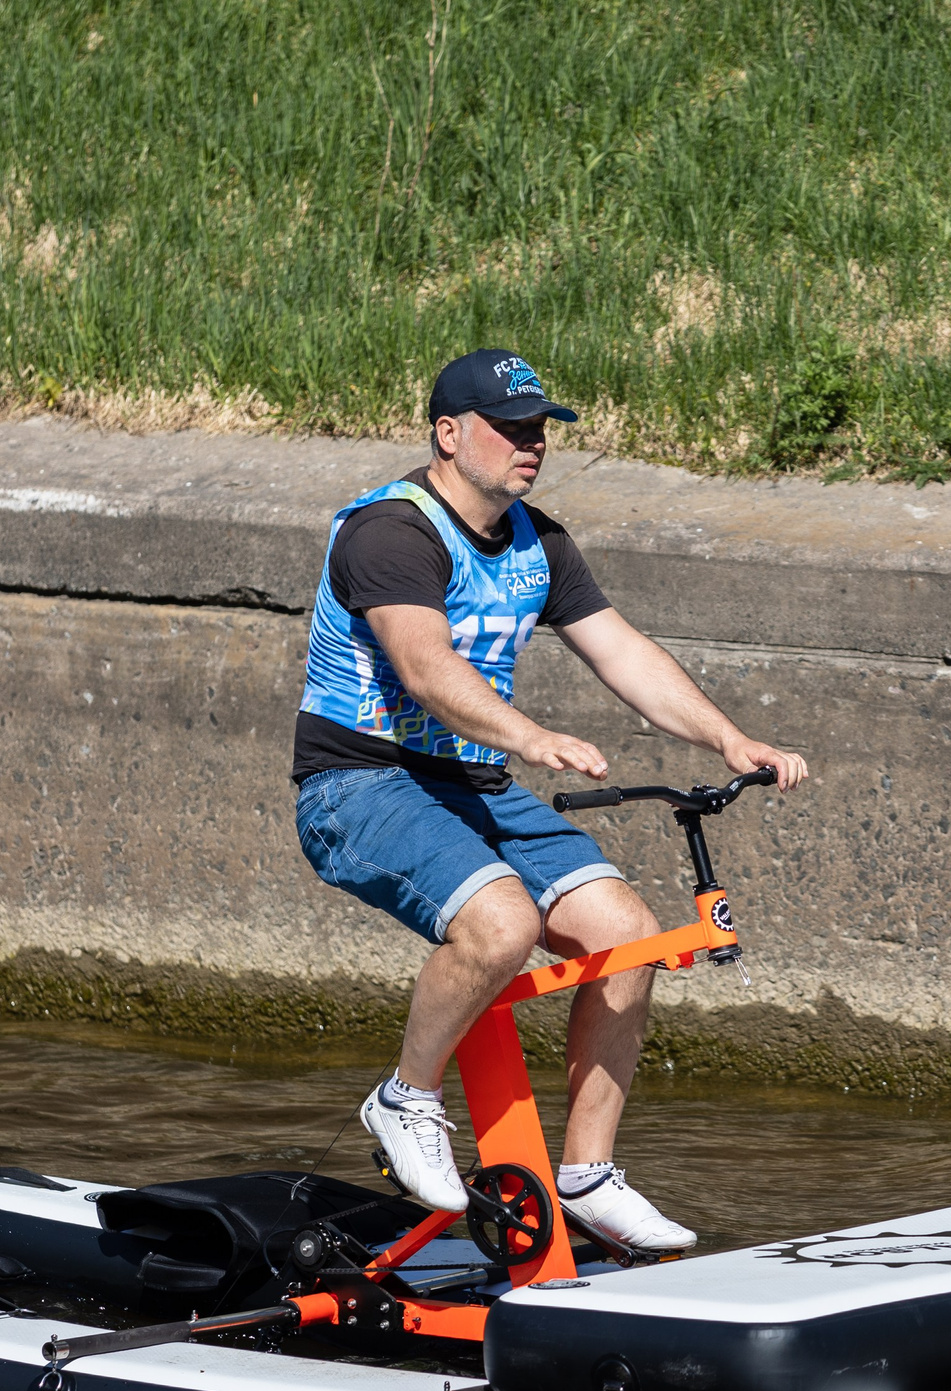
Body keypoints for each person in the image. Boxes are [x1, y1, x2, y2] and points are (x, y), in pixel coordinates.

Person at [291, 348, 808, 1252]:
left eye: (540, 428)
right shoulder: (389, 532)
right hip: (358, 784)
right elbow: (424, 665)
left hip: (471, 781)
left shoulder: (540, 541)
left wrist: (729, 737)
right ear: (449, 435)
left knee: (628, 935)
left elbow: (624, 653)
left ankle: (587, 1176)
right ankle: (406, 1099)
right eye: (511, 427)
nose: (532, 444)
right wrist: (531, 739)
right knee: (502, 925)